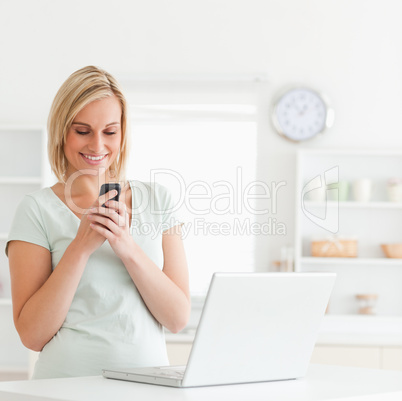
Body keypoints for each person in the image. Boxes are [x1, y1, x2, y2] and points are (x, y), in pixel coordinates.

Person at [6, 66, 190, 379]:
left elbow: (177, 318)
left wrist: (127, 247)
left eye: (109, 131)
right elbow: (32, 335)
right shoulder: (36, 209)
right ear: (62, 131)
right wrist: (80, 247)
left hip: (148, 387)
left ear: (123, 133)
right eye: (82, 131)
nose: (97, 146)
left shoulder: (158, 199)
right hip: (64, 388)